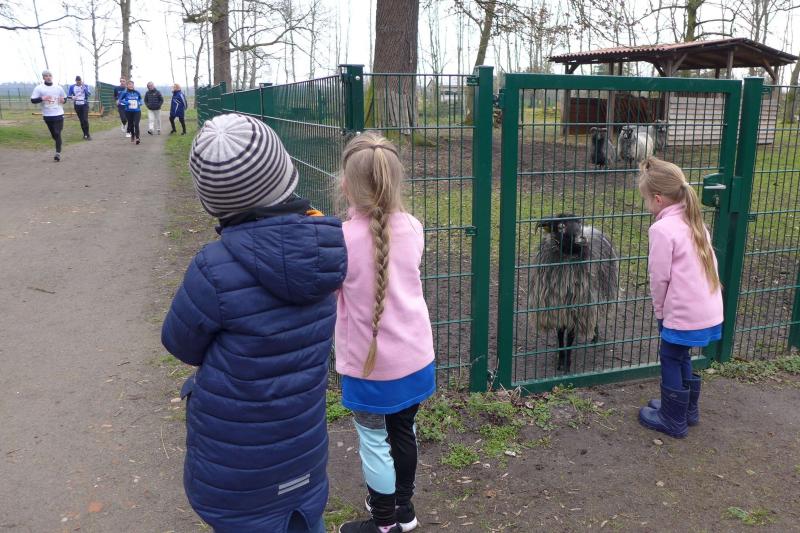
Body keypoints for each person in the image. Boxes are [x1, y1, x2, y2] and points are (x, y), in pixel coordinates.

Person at [161, 113, 346, 533]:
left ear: (212, 200)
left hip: (238, 467)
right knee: (303, 518)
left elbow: (180, 344)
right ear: (286, 173)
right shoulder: (325, 251)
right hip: (302, 446)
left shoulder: (213, 268)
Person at [335, 132, 436, 533]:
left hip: (369, 366)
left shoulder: (340, 240)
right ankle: (404, 511)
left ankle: (383, 523)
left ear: (346, 185)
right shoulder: (413, 227)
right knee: (404, 431)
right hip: (415, 359)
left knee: (374, 440)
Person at [637, 156, 723, 439]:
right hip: (709, 311)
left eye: (646, 199)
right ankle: (687, 410)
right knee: (681, 354)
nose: (646, 204)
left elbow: (659, 279)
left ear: (658, 199)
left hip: (683, 314)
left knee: (670, 357)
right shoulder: (694, 221)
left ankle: (672, 419)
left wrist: (661, 313)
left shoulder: (662, 230)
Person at [30, 70, 66, 162]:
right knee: (54, 135)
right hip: (47, 115)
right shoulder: (39, 88)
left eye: (50, 75)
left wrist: (63, 100)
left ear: (52, 77)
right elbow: (33, 100)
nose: (48, 77)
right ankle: (58, 142)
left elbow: (64, 98)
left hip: (58, 113)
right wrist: (42, 98)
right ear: (43, 77)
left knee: (57, 133)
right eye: (46, 76)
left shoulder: (58, 88)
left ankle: (57, 153)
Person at [118, 80, 143, 144]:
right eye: (129, 84)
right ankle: (132, 135)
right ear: (127, 86)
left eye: (132, 84)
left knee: (136, 124)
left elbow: (140, 99)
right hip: (128, 111)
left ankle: (137, 138)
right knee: (131, 124)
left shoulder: (137, 92)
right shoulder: (124, 93)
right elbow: (120, 100)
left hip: (137, 111)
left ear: (133, 85)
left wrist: (140, 103)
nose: (130, 85)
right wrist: (126, 102)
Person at [67, 75, 91, 140]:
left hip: (84, 104)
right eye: (77, 82)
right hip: (77, 105)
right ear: (75, 81)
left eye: (79, 81)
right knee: (81, 120)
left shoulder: (86, 86)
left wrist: (84, 88)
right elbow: (68, 96)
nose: (78, 83)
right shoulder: (72, 87)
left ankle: (88, 134)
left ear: (81, 81)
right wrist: (72, 97)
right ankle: (85, 134)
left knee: (85, 119)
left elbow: (89, 94)